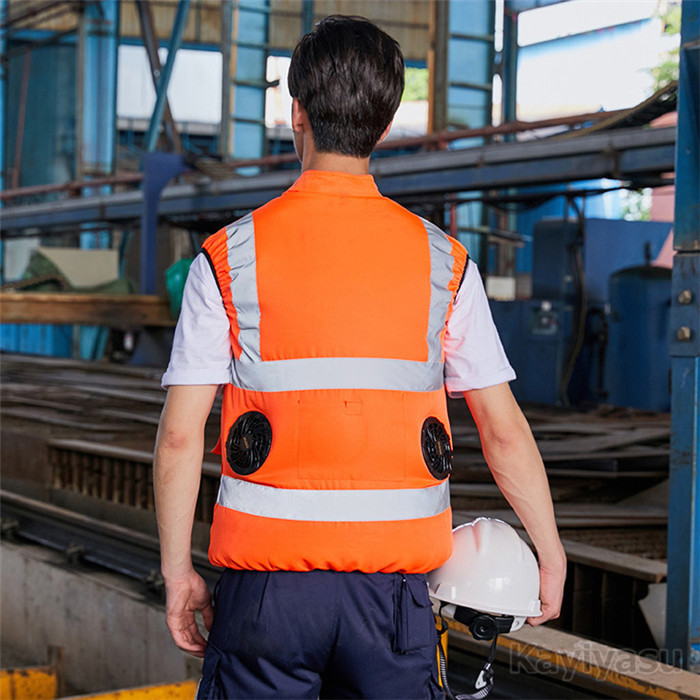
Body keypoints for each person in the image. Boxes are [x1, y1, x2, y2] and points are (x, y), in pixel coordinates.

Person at [154, 15, 567, 699]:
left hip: (265, 601)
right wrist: (547, 552)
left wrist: (178, 572)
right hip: (394, 602)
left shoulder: (229, 258)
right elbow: (501, 430)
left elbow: (177, 436)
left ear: (297, 114)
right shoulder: (444, 264)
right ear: (385, 121)